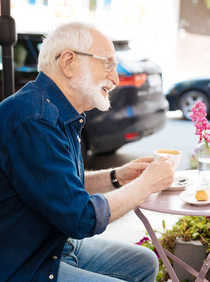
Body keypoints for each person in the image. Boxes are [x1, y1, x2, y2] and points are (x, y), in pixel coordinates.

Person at [0, 22, 175, 281]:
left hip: (53, 244)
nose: (115, 79)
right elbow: (81, 218)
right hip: (23, 261)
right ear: (69, 62)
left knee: (145, 262)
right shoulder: (35, 119)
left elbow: (60, 187)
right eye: (108, 63)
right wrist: (147, 184)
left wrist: (117, 176)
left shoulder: (55, 110)